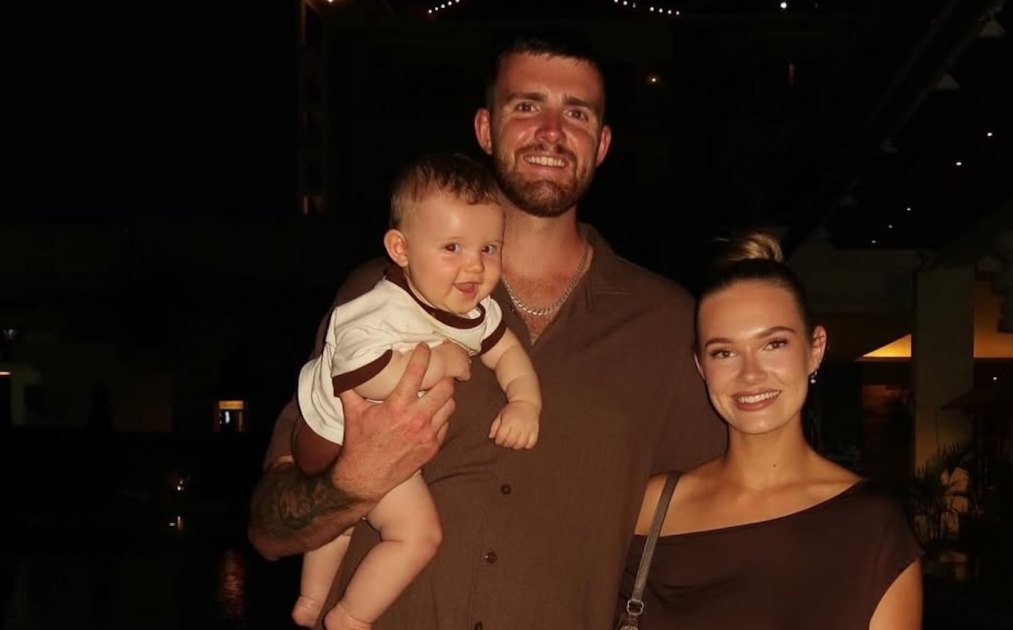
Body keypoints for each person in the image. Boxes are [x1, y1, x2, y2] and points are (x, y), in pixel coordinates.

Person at [247, 29, 727, 630]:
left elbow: (723, 525)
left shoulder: (667, 324)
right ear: (484, 129)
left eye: (577, 113)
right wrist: (352, 484)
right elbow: (269, 527)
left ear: (602, 144)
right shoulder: (377, 296)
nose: (551, 131)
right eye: (526, 106)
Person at [618, 232, 923, 629]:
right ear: (701, 367)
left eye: (774, 344)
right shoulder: (651, 508)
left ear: (815, 349)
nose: (750, 373)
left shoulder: (873, 527)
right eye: (724, 352)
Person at [290, 153, 542, 629]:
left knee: (340, 527)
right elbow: (360, 373)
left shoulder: (474, 311)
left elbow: (508, 351)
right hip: (340, 438)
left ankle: (310, 601)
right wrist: (437, 363)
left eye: (489, 248)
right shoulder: (380, 308)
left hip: (365, 443)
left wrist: (525, 402)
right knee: (418, 537)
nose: (474, 266)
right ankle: (350, 617)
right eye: (452, 247)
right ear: (401, 249)